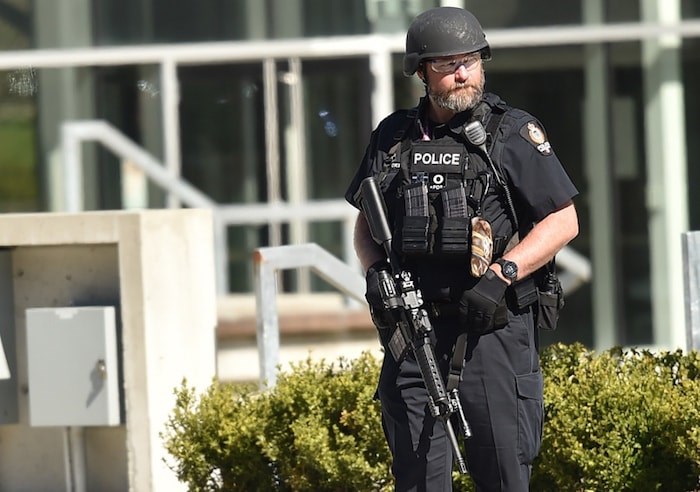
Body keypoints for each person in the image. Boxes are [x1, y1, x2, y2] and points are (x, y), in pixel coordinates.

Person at [344, 6, 579, 492]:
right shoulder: (393, 137)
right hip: (415, 332)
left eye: (470, 60)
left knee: (503, 476)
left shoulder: (510, 132)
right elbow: (367, 226)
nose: (462, 73)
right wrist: (374, 276)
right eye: (449, 64)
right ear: (422, 71)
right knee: (417, 480)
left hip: (493, 330)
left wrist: (503, 274)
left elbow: (563, 220)